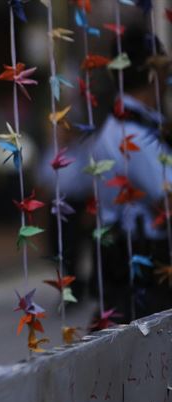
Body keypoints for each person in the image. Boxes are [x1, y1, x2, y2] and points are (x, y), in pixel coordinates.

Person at [56, 26, 172, 322]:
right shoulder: (128, 133)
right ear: (151, 73)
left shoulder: (138, 126)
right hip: (141, 276)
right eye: (164, 68)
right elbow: (166, 199)